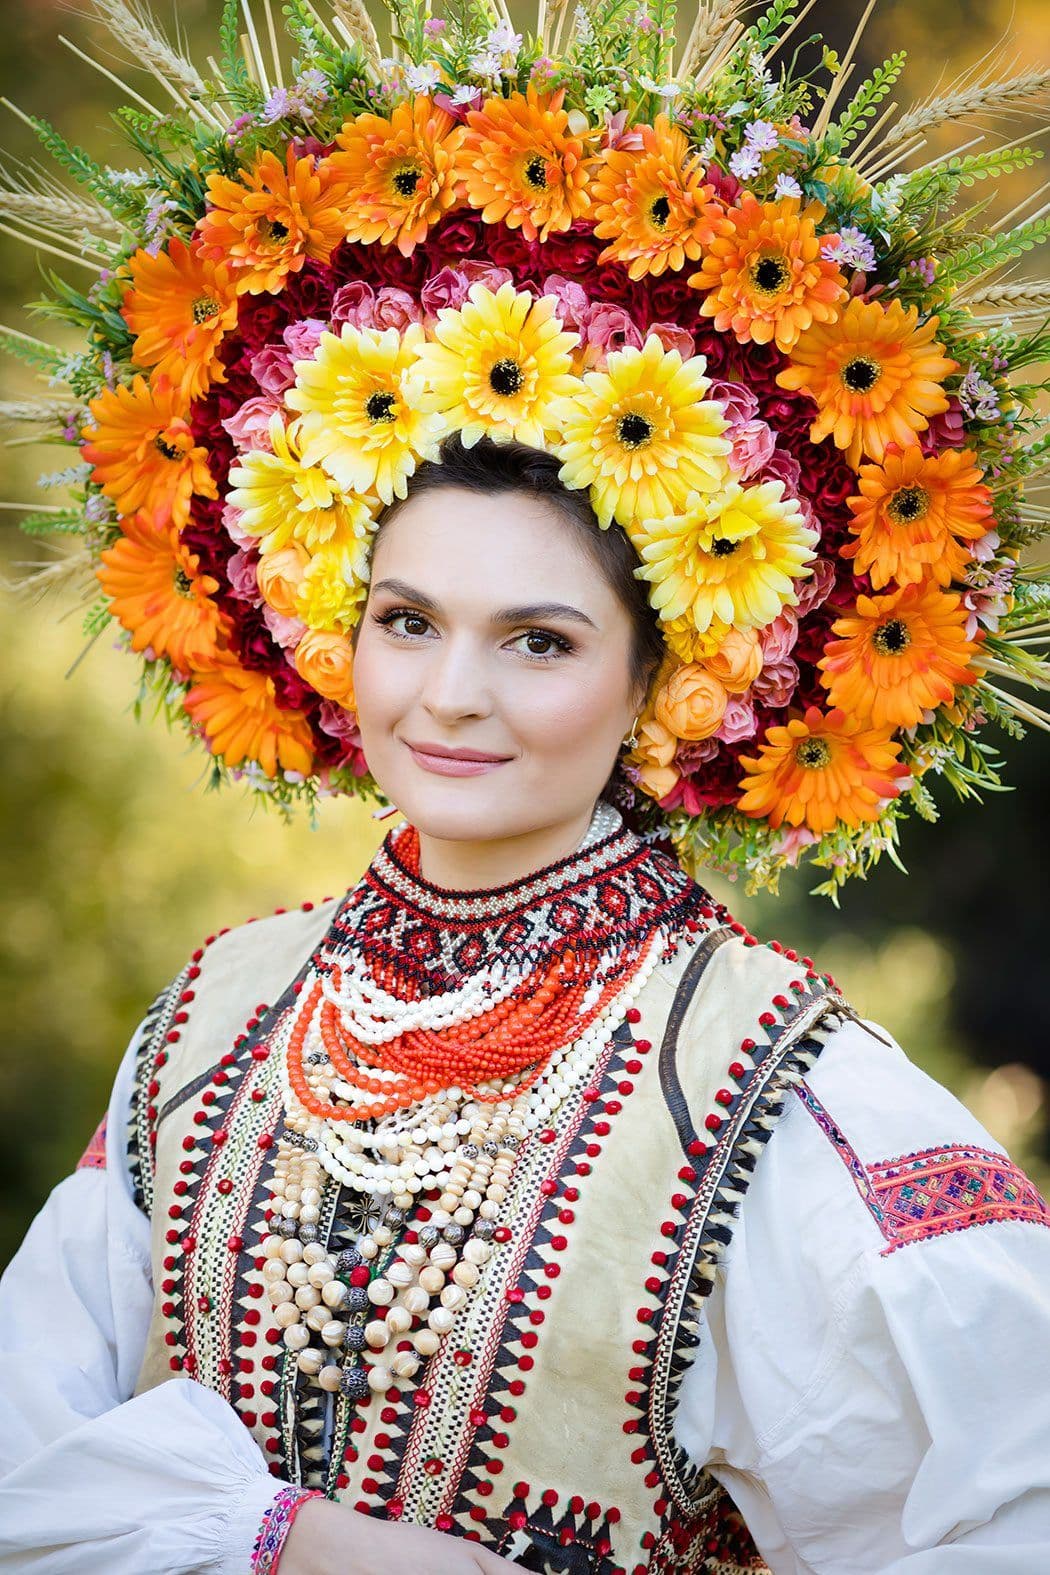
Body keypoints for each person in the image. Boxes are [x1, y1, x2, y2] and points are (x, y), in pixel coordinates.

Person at [2, 0, 1050, 1569]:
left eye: (537, 642)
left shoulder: (757, 1075)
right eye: (407, 621)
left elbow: (1003, 1510)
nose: (450, 695)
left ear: (663, 682)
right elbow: (26, 1458)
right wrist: (297, 1539)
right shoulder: (219, 1018)